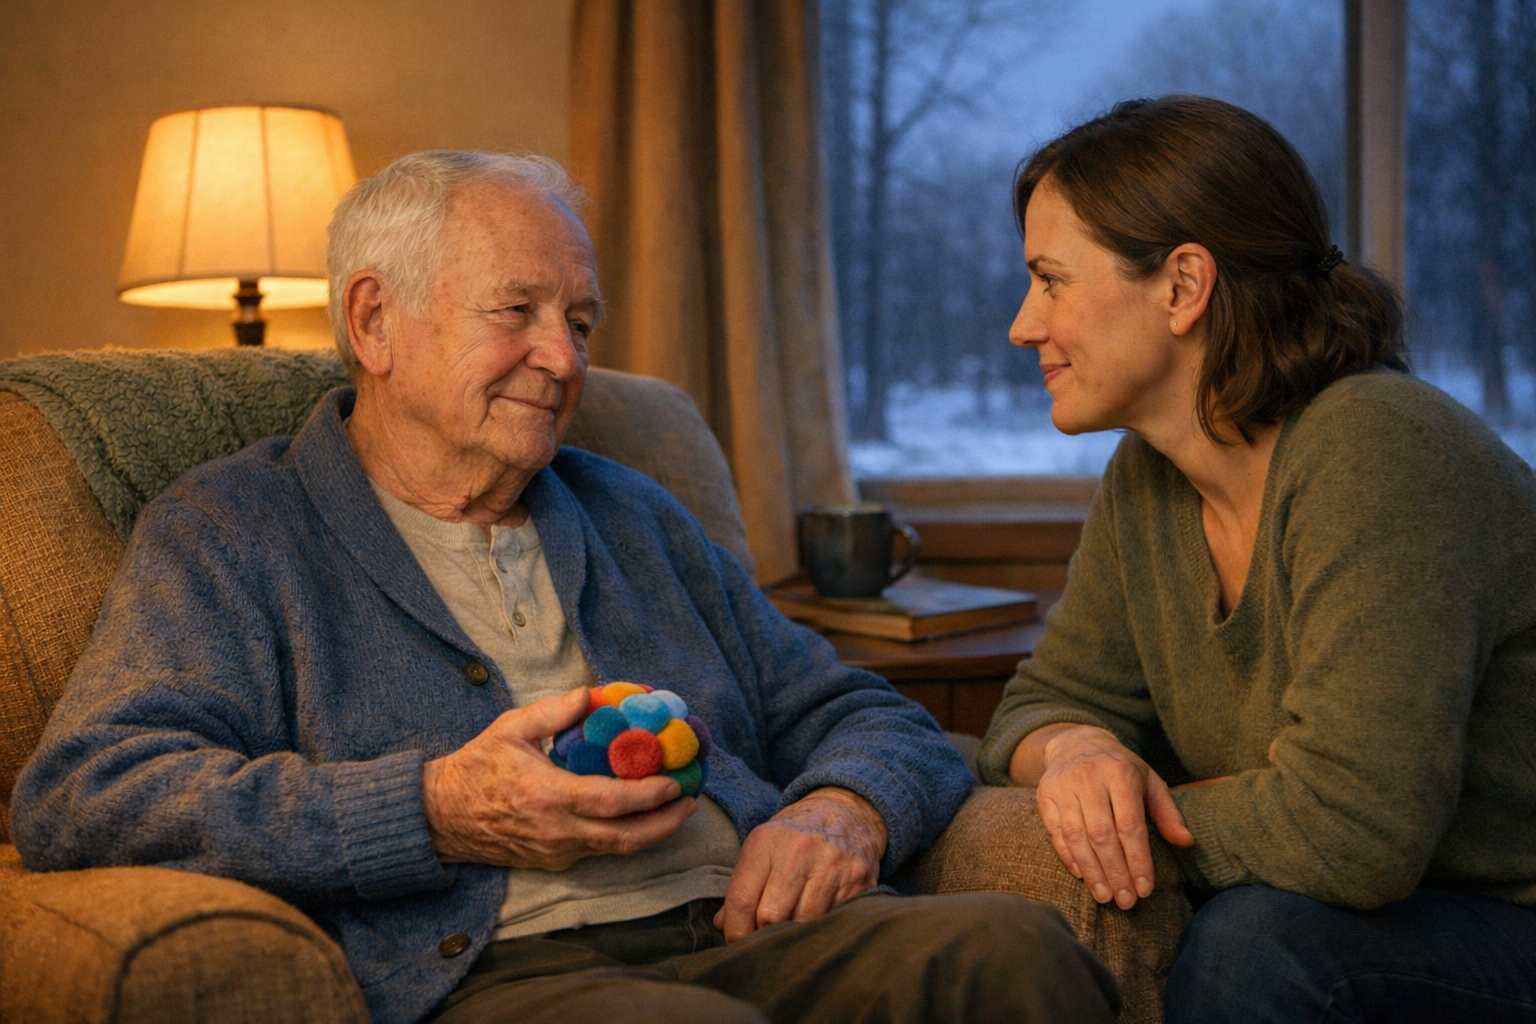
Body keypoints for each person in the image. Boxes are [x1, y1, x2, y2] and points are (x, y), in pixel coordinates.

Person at [11, 151, 1118, 1024]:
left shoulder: (631, 512)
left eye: (580, 321)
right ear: (374, 322)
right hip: (503, 974)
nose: (565, 357)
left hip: (746, 928)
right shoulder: (236, 531)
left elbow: (860, 710)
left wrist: (844, 809)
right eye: (519, 313)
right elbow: (90, 793)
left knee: (1014, 952)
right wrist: (436, 810)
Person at [977, 95, 1536, 1023]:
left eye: (1051, 280)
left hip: (1510, 913)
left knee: (1253, 947)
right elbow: (1041, 704)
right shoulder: (1148, 477)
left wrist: (1133, 813)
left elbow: (1356, 832)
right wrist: (1076, 751)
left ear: (1184, 286)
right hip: (1410, 908)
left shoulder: (1378, 450)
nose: (1023, 324)